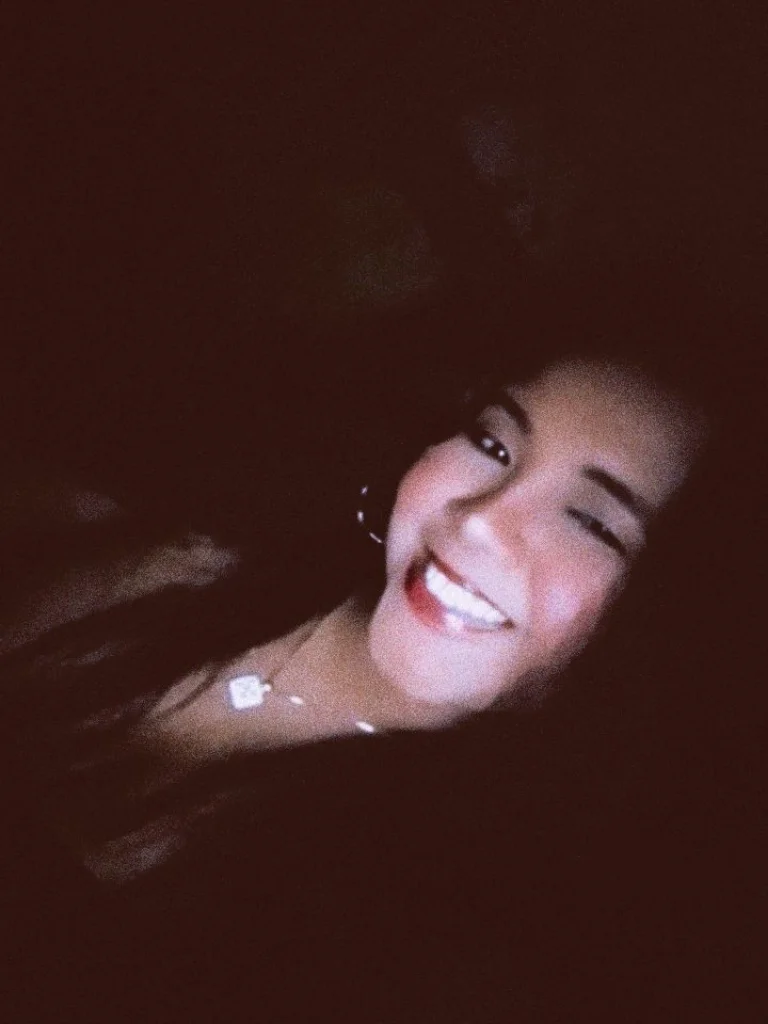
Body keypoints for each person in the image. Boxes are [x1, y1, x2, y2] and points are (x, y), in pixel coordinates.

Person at [2, 268, 753, 1021]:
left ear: (658, 631)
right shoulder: (204, 534)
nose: (480, 519)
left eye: (591, 522)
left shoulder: (433, 934)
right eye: (494, 443)